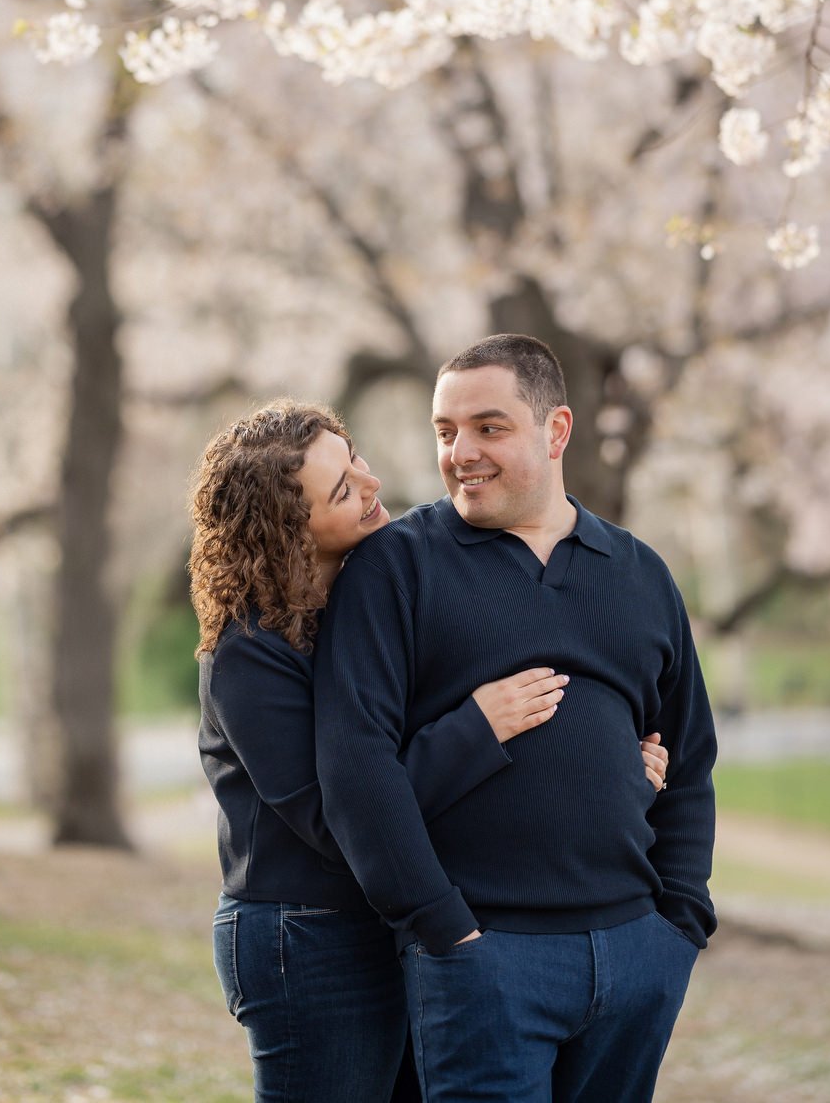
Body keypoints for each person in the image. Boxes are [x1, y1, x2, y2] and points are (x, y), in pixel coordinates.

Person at [190, 399, 672, 1103]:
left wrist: (609, 782)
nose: (373, 484)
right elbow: (338, 817)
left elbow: (412, 771)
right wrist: (475, 728)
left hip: (393, 922)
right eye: (344, 490)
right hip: (306, 932)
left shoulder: (367, 603)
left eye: (356, 461)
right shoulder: (249, 651)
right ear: (287, 528)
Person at [315, 334, 717, 1103]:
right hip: (483, 958)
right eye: (445, 431)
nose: (461, 451)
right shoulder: (395, 567)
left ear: (556, 430)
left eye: (488, 428)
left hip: (635, 955)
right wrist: (444, 932)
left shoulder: (639, 572)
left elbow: (690, 758)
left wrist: (679, 924)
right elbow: (354, 766)